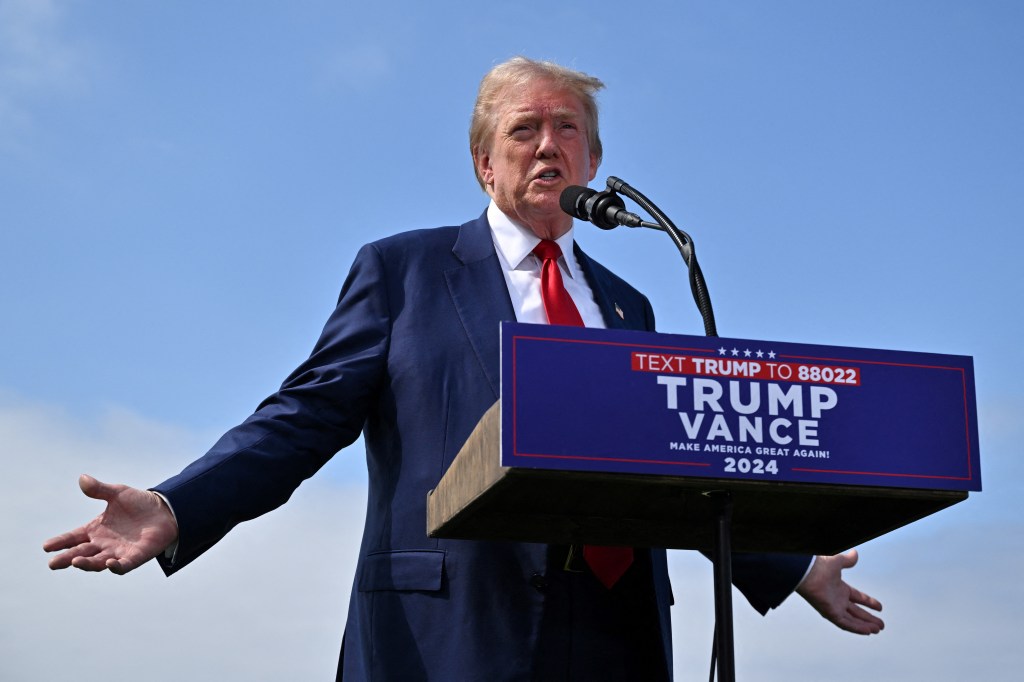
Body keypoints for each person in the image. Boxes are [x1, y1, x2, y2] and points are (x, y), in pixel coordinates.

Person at [44, 57, 883, 680]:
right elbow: (304, 416)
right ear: (486, 163)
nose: (548, 146)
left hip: (617, 633)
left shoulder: (632, 308)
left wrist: (795, 565)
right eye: (524, 130)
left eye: (568, 131)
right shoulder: (403, 272)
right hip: (449, 630)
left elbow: (670, 468)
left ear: (592, 164)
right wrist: (175, 504)